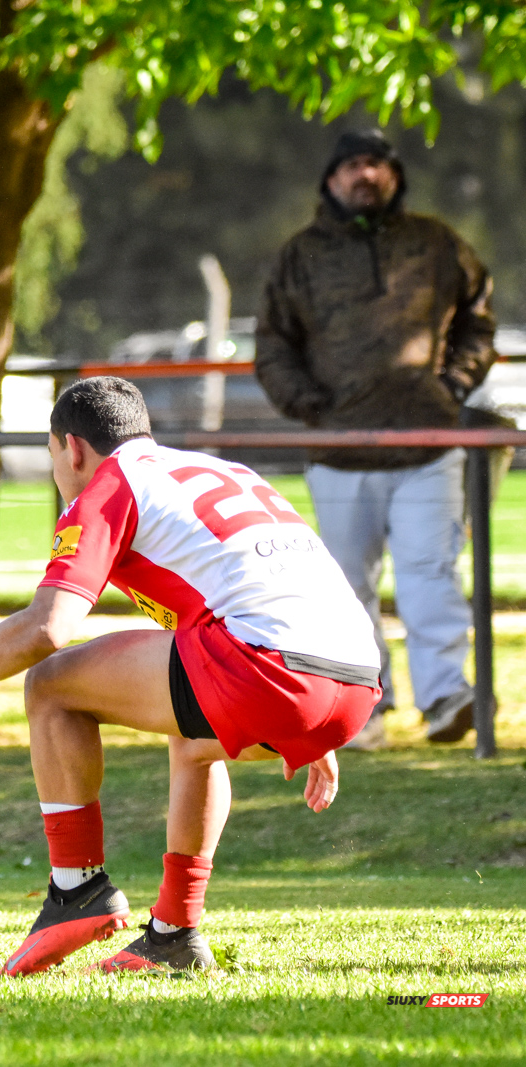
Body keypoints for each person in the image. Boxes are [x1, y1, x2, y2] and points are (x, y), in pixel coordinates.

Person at [0, 377, 381, 975]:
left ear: (72, 448)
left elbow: (47, 627)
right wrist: (308, 718)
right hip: (353, 680)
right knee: (193, 740)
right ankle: (173, 936)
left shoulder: (110, 484)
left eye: (53, 456)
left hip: (271, 671)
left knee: (52, 683)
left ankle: (76, 889)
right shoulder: (218, 470)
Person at [255, 129, 496, 751]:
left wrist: (452, 385)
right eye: (354, 164)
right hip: (340, 453)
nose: (367, 174)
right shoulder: (301, 255)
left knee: (431, 574)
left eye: (378, 164)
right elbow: (274, 344)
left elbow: (478, 318)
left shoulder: (436, 242)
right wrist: (310, 406)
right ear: (332, 178)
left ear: (395, 175)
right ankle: (363, 708)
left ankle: (446, 698)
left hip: (427, 446)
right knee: (344, 588)